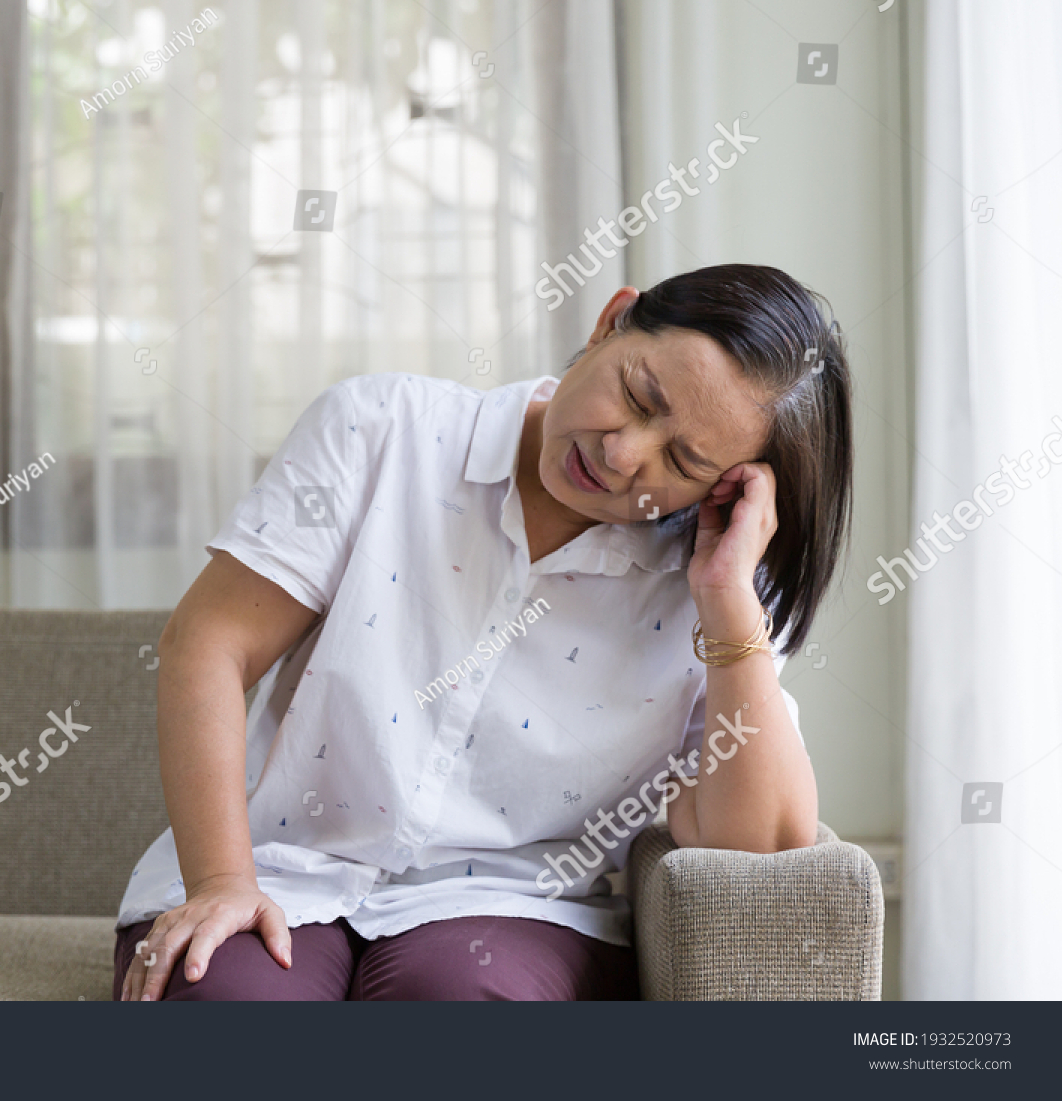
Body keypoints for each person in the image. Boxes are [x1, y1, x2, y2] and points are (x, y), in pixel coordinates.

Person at [113, 263, 853, 1001]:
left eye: (684, 461)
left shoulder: (714, 578)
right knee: (228, 998)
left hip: (511, 905)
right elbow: (209, 643)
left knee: (464, 996)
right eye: (637, 395)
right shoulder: (379, 427)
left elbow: (760, 846)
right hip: (279, 867)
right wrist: (220, 882)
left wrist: (728, 605)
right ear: (611, 322)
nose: (624, 454)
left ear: (723, 489)